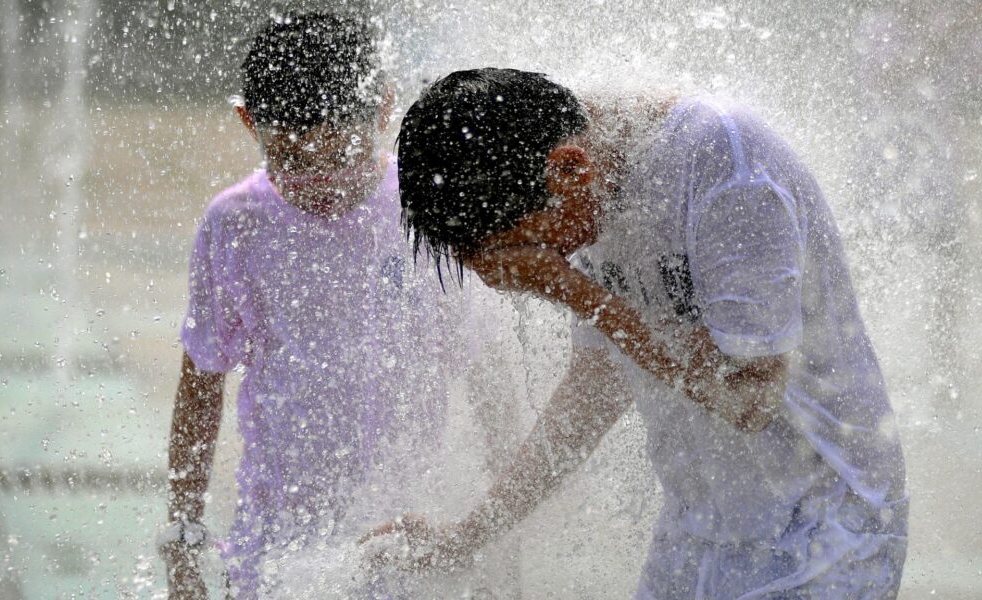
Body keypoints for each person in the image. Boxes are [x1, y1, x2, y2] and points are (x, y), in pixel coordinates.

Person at [368, 68, 908, 598]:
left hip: (824, 535)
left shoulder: (729, 168)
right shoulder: (582, 171)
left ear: (571, 170)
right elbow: (591, 393)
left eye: (532, 247)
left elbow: (750, 395)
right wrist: (467, 538)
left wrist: (570, 289)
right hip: (694, 539)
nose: (544, 262)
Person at [159, 13, 446, 599]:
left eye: (343, 152)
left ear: (384, 109)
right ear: (250, 122)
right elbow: (201, 379)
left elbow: (489, 371)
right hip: (280, 531)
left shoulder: (425, 211)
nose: (323, 176)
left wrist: (498, 541)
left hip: (411, 529)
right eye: (292, 158)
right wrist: (184, 534)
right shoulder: (235, 222)